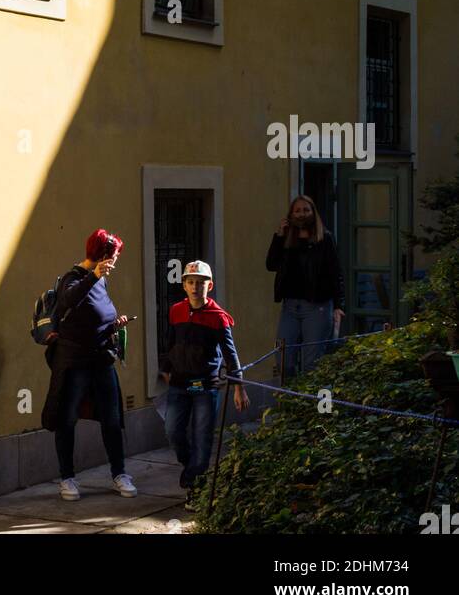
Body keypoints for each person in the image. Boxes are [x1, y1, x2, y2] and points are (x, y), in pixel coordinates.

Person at [40, 228, 137, 500]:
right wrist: (94, 275)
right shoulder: (72, 278)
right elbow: (69, 300)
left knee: (112, 418)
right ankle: (67, 478)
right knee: (66, 419)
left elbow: (96, 314)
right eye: (114, 256)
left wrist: (114, 324)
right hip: (74, 363)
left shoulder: (102, 280)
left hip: (101, 359)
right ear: (104, 256)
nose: (116, 262)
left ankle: (119, 473)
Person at [157, 260, 249, 506]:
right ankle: (194, 471)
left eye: (200, 282)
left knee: (202, 438)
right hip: (178, 385)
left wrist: (239, 386)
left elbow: (230, 353)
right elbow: (169, 343)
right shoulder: (176, 310)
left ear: (210, 285)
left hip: (204, 387)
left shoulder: (218, 318)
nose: (195, 287)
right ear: (184, 285)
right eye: (190, 282)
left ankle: (195, 487)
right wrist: (165, 370)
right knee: (173, 432)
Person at [266, 195, 345, 375]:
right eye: (298, 210)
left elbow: (336, 273)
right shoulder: (286, 239)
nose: (302, 214)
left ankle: (312, 402)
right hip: (290, 306)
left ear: (313, 213)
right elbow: (271, 264)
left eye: (306, 210)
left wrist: (339, 306)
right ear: (291, 215)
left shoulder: (324, 239)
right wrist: (279, 236)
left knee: (312, 364)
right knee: (283, 361)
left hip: (317, 306)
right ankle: (290, 401)